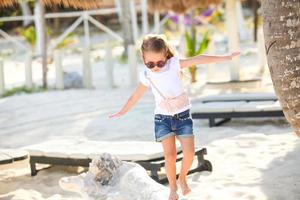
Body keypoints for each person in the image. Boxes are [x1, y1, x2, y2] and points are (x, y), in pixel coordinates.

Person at [109, 34, 240, 200]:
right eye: (150, 64)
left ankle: (182, 177)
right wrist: (122, 111)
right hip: (162, 119)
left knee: (190, 153)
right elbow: (135, 96)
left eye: (160, 62)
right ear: (143, 59)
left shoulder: (173, 65)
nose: (155, 67)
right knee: (169, 157)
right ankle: (172, 189)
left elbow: (199, 59)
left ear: (166, 56)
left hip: (183, 116)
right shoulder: (146, 75)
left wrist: (226, 57)